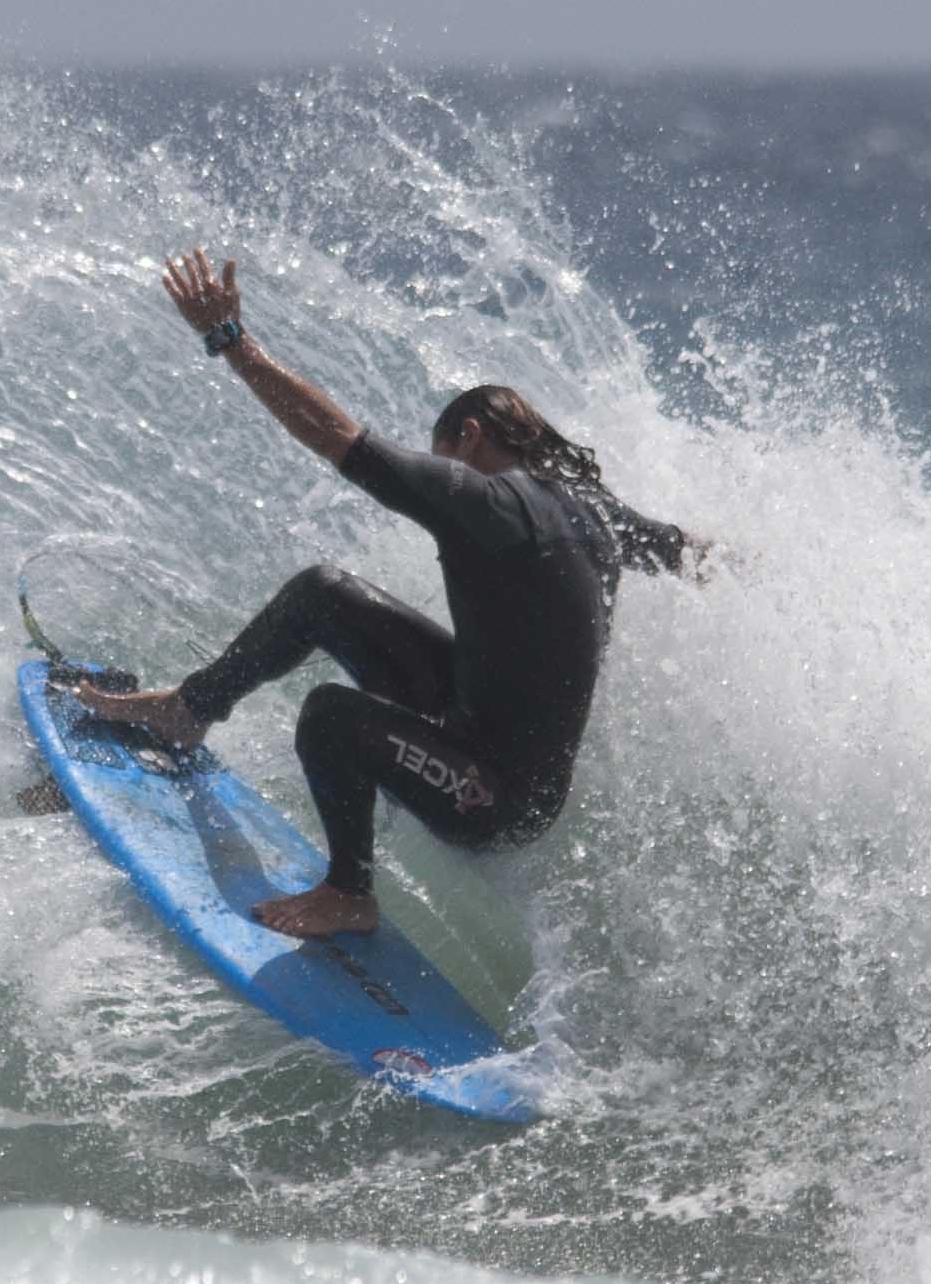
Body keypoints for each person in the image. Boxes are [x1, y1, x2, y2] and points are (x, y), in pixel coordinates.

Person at [70, 250, 701, 939]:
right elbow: (683, 552)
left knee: (333, 718)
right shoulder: (598, 511)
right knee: (323, 591)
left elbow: (339, 438)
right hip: (477, 730)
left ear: (469, 437)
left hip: (493, 795)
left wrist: (232, 341)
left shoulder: (484, 499)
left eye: (443, 451)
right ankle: (189, 709)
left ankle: (349, 892)